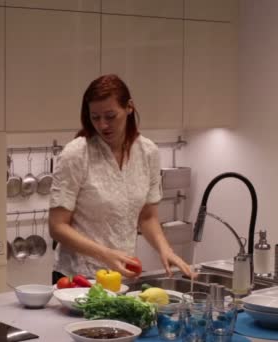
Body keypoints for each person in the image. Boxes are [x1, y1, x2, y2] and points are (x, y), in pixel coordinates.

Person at [48, 74, 194, 283]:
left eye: (110, 116)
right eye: (95, 117)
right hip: (77, 277)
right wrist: (105, 254)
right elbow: (57, 227)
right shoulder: (76, 154)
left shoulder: (148, 152)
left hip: (123, 275)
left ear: (129, 108)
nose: (103, 125)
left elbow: (147, 216)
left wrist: (165, 250)